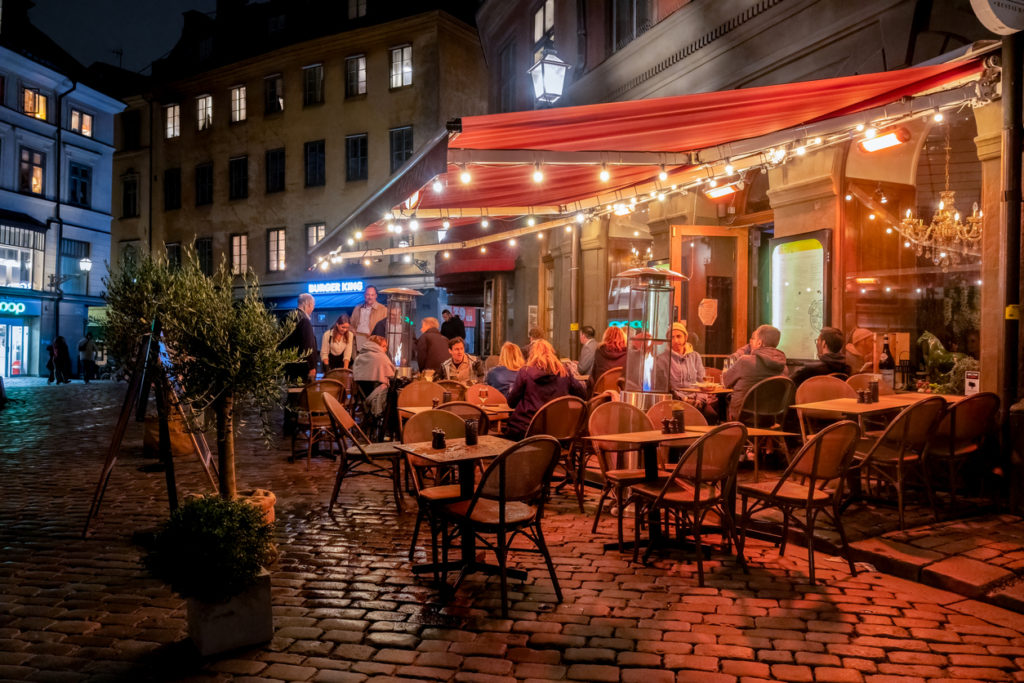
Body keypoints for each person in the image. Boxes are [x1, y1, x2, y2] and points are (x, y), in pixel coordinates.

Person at [506, 339, 586, 440]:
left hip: (528, 429)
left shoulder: (525, 372)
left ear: (532, 355)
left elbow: (511, 403)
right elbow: (582, 395)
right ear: (552, 353)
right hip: (559, 430)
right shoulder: (564, 372)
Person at [722, 324, 787, 420]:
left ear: (759, 343)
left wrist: (725, 370)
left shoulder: (745, 361)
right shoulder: (783, 367)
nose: (750, 343)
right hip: (771, 418)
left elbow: (726, 382)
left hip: (743, 416)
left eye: (754, 339)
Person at [278, 293, 318, 382]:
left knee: (291, 392)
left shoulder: (286, 316)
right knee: (302, 393)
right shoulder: (304, 320)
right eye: (313, 306)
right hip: (302, 367)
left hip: (288, 365)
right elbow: (308, 345)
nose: (312, 309)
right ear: (309, 304)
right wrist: (311, 367)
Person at [351, 334, 395, 399]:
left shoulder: (358, 357)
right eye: (384, 346)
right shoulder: (382, 358)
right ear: (376, 346)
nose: (386, 349)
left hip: (363, 395)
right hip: (378, 396)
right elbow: (391, 375)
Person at [587, 325, 628, 394]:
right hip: (621, 396)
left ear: (605, 338)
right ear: (624, 338)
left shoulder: (599, 351)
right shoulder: (628, 355)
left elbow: (593, 377)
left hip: (601, 395)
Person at [350, 285, 387, 351]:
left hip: (374, 343)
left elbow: (386, 329)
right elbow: (351, 325)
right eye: (368, 295)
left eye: (372, 295)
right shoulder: (357, 308)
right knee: (359, 360)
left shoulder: (383, 309)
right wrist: (354, 333)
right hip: (357, 341)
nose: (370, 297)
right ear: (364, 295)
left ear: (376, 296)